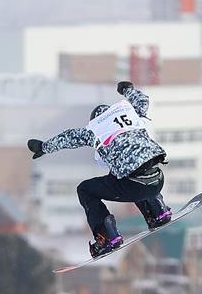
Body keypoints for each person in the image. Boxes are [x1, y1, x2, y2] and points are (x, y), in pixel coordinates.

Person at [27, 81, 172, 258]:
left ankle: (107, 236)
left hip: (134, 187)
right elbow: (142, 100)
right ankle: (158, 212)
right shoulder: (131, 114)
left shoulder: (95, 129)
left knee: (85, 189)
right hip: (157, 180)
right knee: (129, 171)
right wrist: (127, 89)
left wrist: (43, 147)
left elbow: (69, 138)